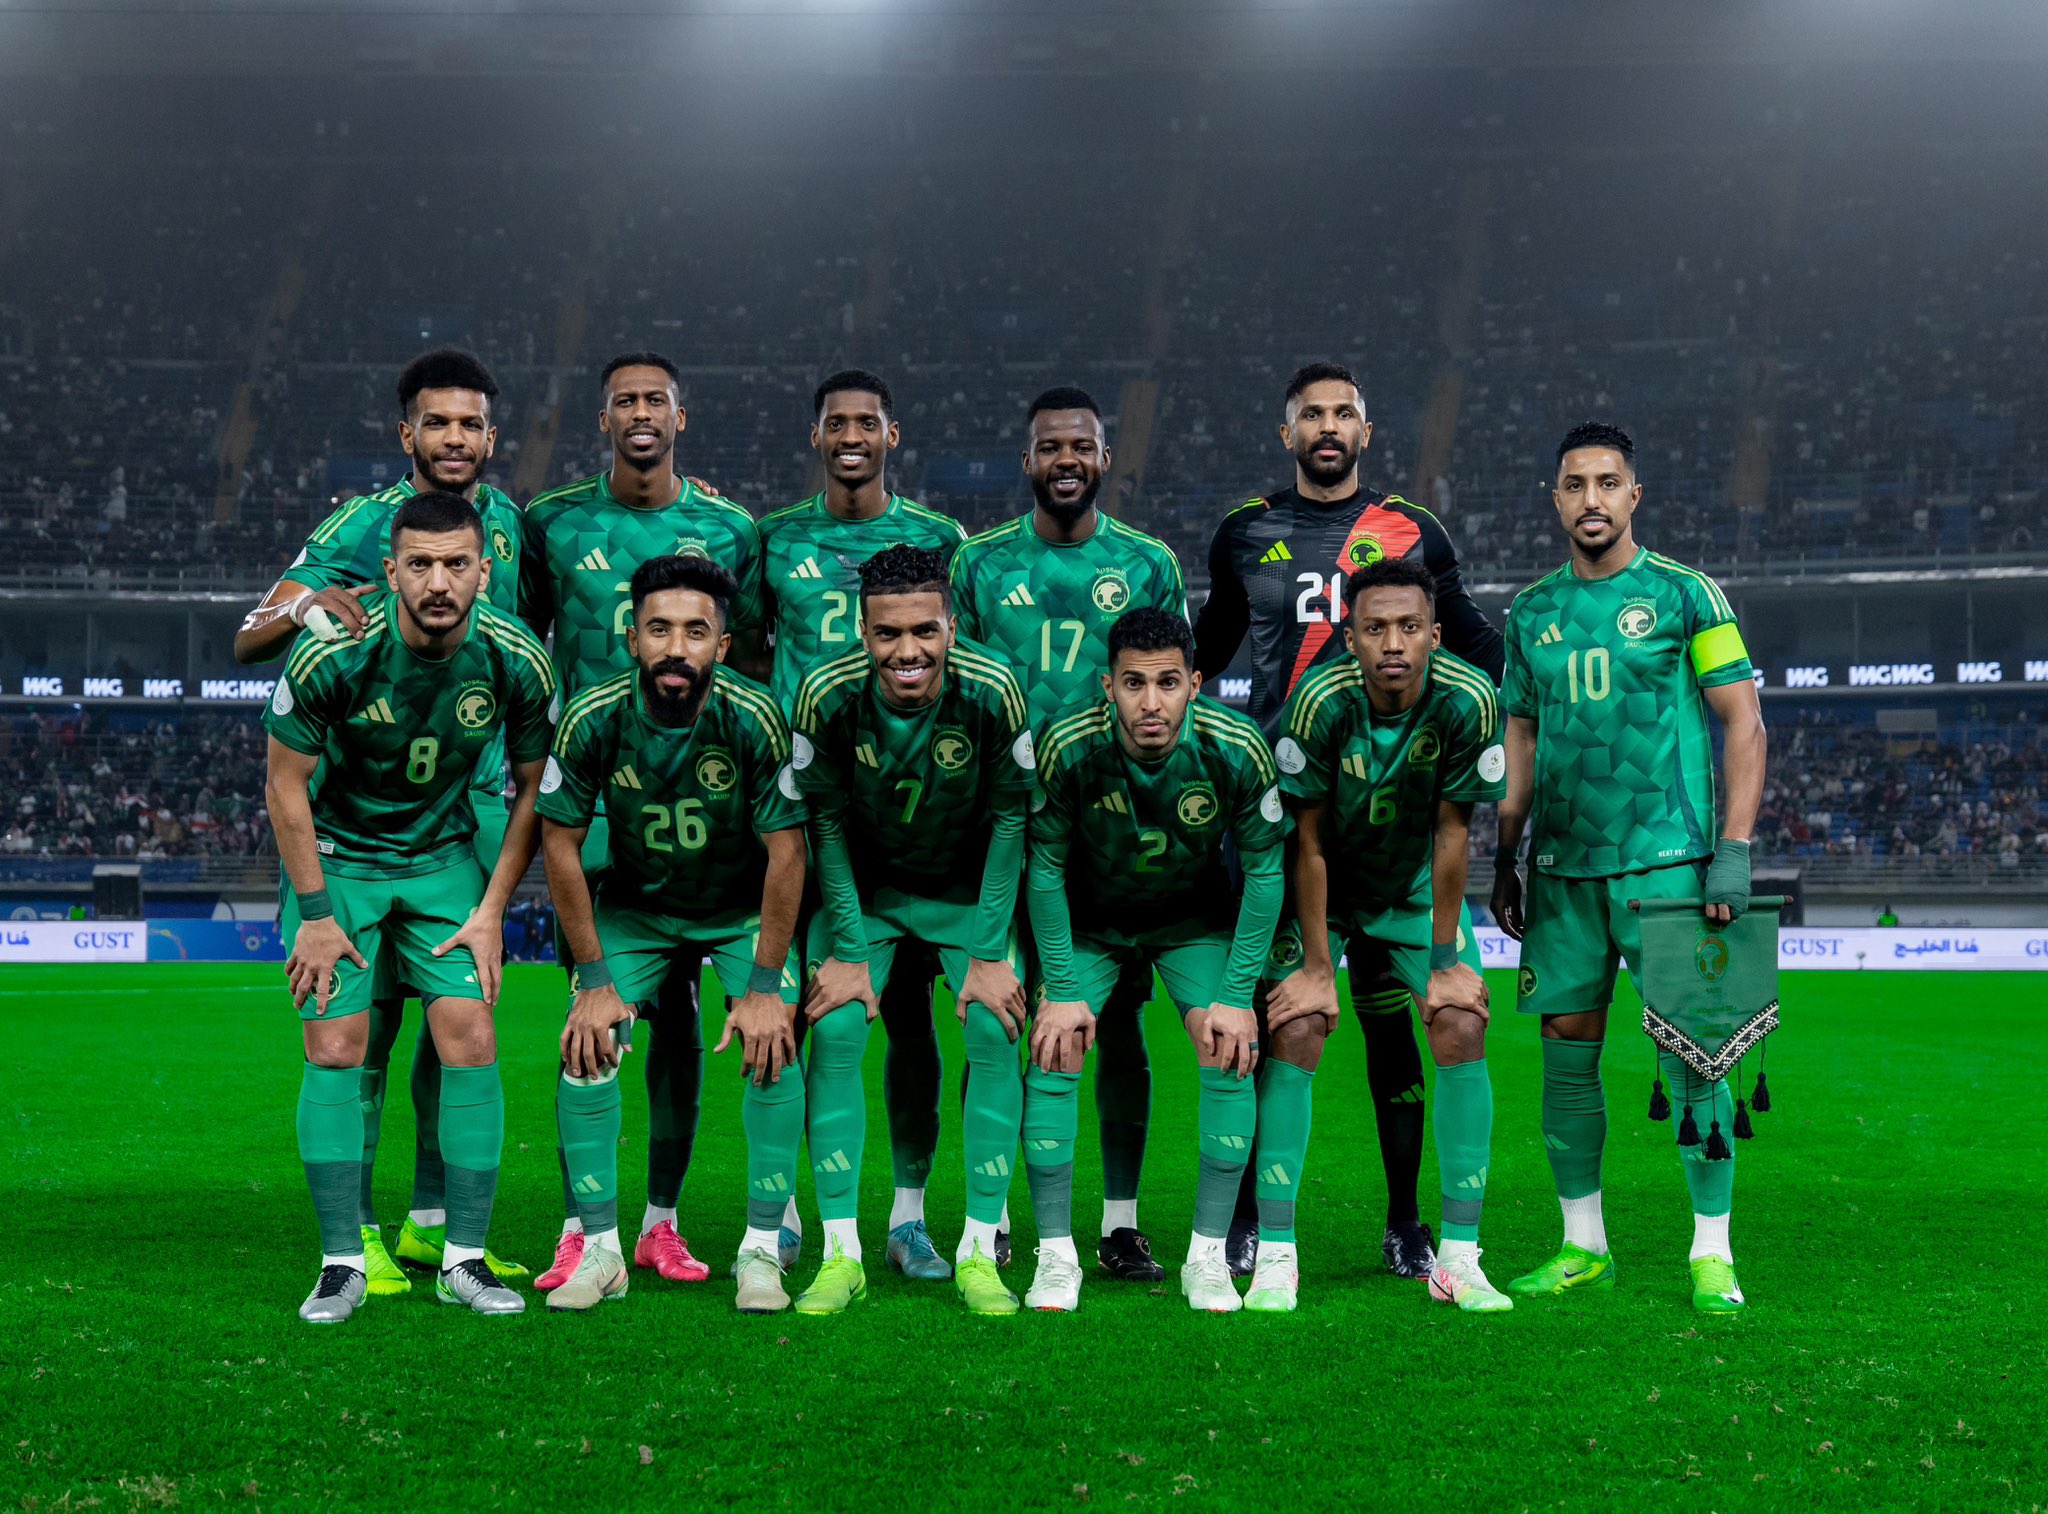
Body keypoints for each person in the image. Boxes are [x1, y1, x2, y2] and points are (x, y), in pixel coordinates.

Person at [1193, 360, 1500, 1278]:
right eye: (1311, 415)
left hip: (1394, 818)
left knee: (1394, 1026)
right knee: (1277, 1017)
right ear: (1286, 433)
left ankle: (1407, 1222)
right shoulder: (1245, 532)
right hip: (1288, 821)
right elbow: (1203, 652)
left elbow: (1476, 642)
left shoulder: (1414, 531)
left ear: (1366, 431)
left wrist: (1543, 690)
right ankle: (1249, 1218)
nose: (1327, 427)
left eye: (1343, 414)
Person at [234, 348, 532, 1291]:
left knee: (460, 1029)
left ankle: (434, 1226)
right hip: (357, 810)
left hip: (467, 803)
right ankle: (353, 1232)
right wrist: (301, 613)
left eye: (469, 423)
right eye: (436, 422)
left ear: (492, 435)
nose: (454, 438)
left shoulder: (509, 525)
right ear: (407, 433)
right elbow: (249, 636)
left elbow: (523, 647)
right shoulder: (361, 524)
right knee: (364, 1029)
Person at [1490, 421, 1768, 1314]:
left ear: (1634, 495)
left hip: (1670, 866)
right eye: (1575, 485)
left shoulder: (1687, 595)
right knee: (1565, 1055)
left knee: (1699, 1057)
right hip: (1564, 872)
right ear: (1556, 500)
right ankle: (1584, 1247)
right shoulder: (1531, 613)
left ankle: (1712, 1254)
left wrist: (1733, 852)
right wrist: (1506, 851)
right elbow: (1520, 736)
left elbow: (1744, 722)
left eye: (1608, 483)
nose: (1592, 499)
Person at [262, 491, 555, 1323]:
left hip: (442, 862)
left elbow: (534, 789)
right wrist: (317, 914)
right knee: (335, 1046)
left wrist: (492, 909)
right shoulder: (332, 651)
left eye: (456, 564)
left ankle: (462, 1259)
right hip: (340, 863)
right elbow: (284, 786)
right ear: (390, 572)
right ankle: (341, 1263)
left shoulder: (517, 657)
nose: (438, 582)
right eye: (419, 565)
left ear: (484, 572)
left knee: (471, 1036)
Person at [522, 351, 771, 1293]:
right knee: (594, 1015)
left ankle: (661, 1223)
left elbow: (754, 647)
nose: (639, 413)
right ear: (602, 419)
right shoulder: (551, 522)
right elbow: (526, 638)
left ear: (679, 416)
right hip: (600, 798)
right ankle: (584, 1229)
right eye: (622, 400)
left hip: (704, 798)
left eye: (655, 400)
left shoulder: (731, 528)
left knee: (683, 1019)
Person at [951, 386, 1189, 1280]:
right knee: (996, 1021)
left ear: (1104, 458)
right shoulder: (977, 563)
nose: (1066, 460)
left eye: (1081, 446)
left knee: (1116, 1025)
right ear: (1028, 461)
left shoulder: (1148, 562)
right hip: (1000, 833)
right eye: (1050, 447)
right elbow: (957, 694)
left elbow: (1169, 688)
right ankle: (989, 1217)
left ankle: (1120, 1224)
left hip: (1107, 843)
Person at [537, 555, 808, 1313]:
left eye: (696, 631)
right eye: (659, 630)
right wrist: (595, 983)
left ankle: (761, 1253)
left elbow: (788, 854)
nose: (676, 648)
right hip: (637, 908)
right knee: (587, 1044)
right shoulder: (593, 715)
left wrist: (764, 988)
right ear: (632, 639)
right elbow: (559, 843)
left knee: (774, 1042)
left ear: (722, 644)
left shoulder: (754, 715)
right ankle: (600, 1252)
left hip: (737, 909)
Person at [757, 369, 966, 1281]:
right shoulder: (771, 538)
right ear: (816, 436)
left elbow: (960, 661)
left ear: (892, 434)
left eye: (867, 423)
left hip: (913, 822)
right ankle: (786, 1212)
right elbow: (748, 651)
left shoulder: (941, 540)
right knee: (797, 1017)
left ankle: (907, 1220)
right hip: (803, 822)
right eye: (836, 423)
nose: (852, 436)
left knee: (912, 1023)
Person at [790, 544, 1034, 1316]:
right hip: (865, 895)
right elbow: (825, 825)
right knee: (834, 1027)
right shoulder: (826, 694)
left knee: (994, 1026)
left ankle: (976, 1251)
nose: (908, 651)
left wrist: (990, 954)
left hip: (963, 895)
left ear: (951, 627)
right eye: (888, 633)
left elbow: (1010, 820)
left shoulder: (993, 688)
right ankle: (840, 1255)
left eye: (925, 630)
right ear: (862, 632)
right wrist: (848, 951)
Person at [1264, 558, 1509, 1313]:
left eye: (1409, 627)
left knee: (1461, 1021)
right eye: (1375, 628)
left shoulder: (1469, 699)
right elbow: (1306, 843)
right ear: (1351, 638)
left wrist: (1442, 960)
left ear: (1435, 633)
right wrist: (1315, 967)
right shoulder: (1318, 702)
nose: (1393, 643)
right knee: (1296, 1027)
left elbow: (1453, 833)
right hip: (1329, 890)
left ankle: (1459, 1259)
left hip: (1411, 889)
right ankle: (1275, 1254)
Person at [1023, 608, 1283, 1313]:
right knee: (1055, 1047)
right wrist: (1061, 988)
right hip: (1092, 924)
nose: (1150, 702)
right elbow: (1043, 869)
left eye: (1167, 683)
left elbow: (1266, 872)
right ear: (1107, 686)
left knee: (1229, 1046)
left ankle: (1207, 1260)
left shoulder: (1237, 747)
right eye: (1133, 683)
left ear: (1194, 684)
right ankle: (1056, 1258)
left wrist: (1235, 995)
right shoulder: (1067, 745)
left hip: (1190, 922)